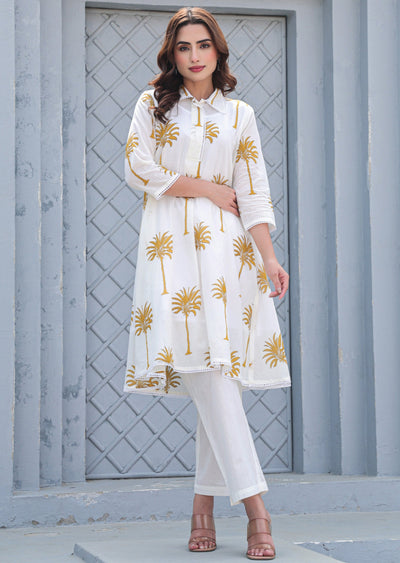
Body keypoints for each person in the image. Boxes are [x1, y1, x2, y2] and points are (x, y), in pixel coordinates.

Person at [123, 7, 291, 560]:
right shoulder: (152, 105)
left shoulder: (239, 114)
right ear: (172, 55)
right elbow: (138, 168)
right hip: (171, 260)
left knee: (219, 380)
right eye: (183, 47)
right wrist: (205, 188)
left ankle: (202, 511)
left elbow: (254, 191)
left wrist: (269, 258)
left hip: (228, 260)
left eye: (202, 45)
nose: (194, 56)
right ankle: (257, 511)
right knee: (212, 381)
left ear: (218, 50)